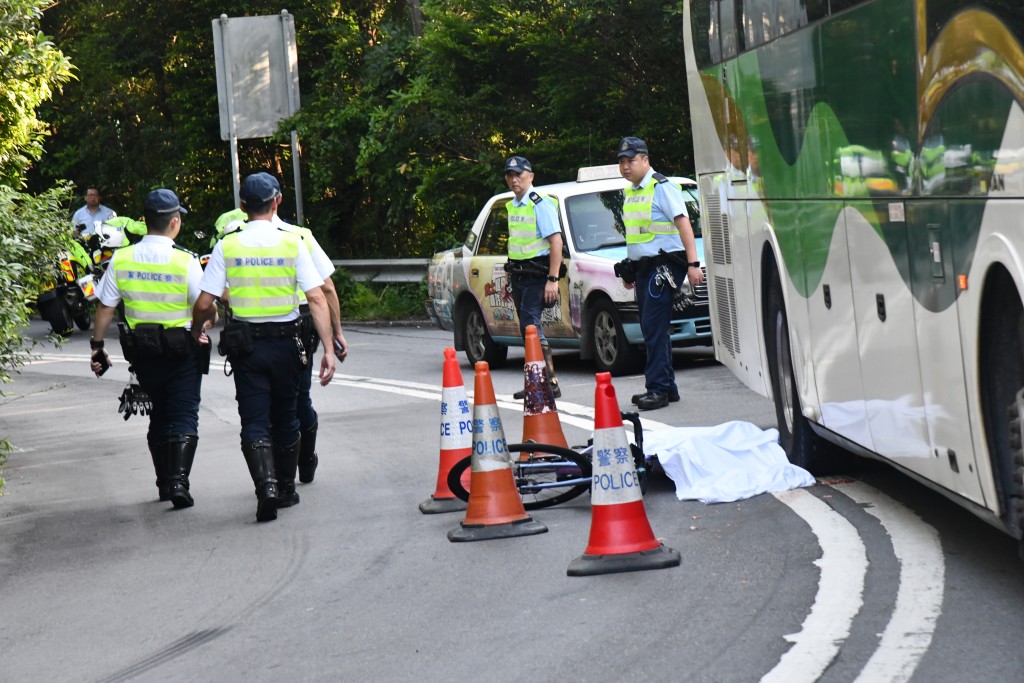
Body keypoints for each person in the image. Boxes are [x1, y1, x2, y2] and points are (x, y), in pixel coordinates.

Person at [191, 173, 336, 523]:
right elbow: (317, 296)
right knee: (287, 416)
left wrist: (198, 329)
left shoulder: (227, 244)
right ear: (277, 202)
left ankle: (266, 487)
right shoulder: (292, 242)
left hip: (247, 348)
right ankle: (286, 488)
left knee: (254, 419)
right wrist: (329, 348)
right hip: (287, 343)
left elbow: (205, 300)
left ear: (242, 207)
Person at [89, 189, 209, 507]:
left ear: (145, 221)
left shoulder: (122, 258)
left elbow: (105, 308)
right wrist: (202, 325)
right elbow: (204, 303)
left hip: (142, 353)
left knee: (158, 417)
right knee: (183, 415)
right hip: (182, 350)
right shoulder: (185, 260)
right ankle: (179, 482)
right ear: (173, 222)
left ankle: (164, 484)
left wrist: (97, 347)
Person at [259, 172, 348, 484]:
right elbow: (326, 289)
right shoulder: (299, 236)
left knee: (264, 406)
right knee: (298, 400)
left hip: (253, 334)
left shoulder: (235, 239)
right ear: (278, 200)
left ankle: (272, 475)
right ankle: (304, 460)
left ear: (246, 205)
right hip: (299, 327)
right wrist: (335, 333)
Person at [616, 136, 705, 410]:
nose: (625, 166)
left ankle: (657, 390)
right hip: (645, 269)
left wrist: (693, 264)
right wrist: (631, 266)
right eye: (621, 161)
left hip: (665, 267)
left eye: (630, 160)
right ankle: (668, 386)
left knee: (653, 329)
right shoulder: (631, 191)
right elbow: (640, 235)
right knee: (651, 327)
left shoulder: (662, 187)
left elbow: (683, 224)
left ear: (645, 160)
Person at [502, 155, 563, 400]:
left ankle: (547, 383)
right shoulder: (513, 205)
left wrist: (553, 279)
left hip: (537, 274)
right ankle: (537, 381)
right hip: (519, 274)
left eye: (519, 174)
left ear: (531, 176)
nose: (514, 179)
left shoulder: (540, 203)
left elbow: (555, 241)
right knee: (526, 327)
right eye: (510, 175)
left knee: (531, 327)